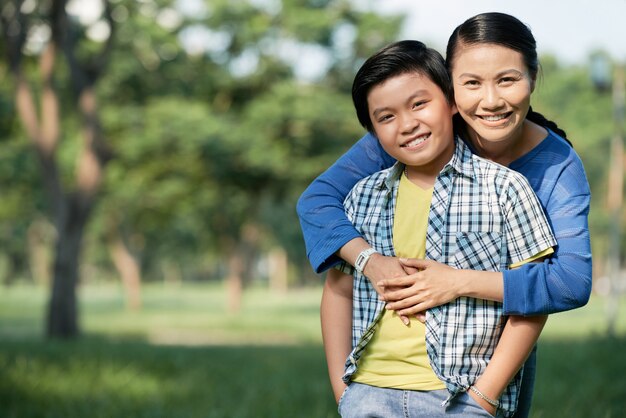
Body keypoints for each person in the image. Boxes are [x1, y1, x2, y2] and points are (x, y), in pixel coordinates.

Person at [297, 12, 592, 418]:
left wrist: (455, 284)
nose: (491, 101)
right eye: (472, 83)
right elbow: (318, 202)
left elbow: (569, 281)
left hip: (490, 347)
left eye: (507, 79)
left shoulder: (553, 168)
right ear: (451, 90)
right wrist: (371, 261)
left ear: (533, 78)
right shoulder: (413, 135)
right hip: (378, 383)